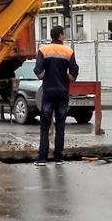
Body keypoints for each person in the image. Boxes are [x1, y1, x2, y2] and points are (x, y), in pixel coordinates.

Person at [33, 25, 79, 166]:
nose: (64, 36)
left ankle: (42, 158)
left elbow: (38, 70)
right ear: (60, 35)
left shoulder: (43, 50)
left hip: (48, 92)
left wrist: (45, 77)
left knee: (45, 126)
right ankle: (58, 157)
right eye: (63, 34)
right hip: (62, 92)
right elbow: (74, 70)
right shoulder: (68, 51)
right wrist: (68, 78)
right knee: (60, 125)